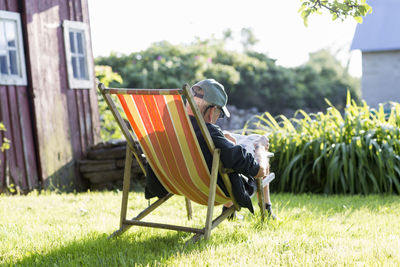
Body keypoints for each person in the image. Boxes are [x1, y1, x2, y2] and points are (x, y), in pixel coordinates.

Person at [144, 78, 276, 219]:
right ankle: (266, 209)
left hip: (176, 184)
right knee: (255, 151)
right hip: (211, 190)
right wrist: (261, 148)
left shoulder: (165, 131)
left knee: (230, 152)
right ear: (213, 110)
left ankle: (231, 213)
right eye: (220, 113)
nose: (218, 118)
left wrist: (223, 139)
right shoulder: (211, 135)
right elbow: (259, 171)